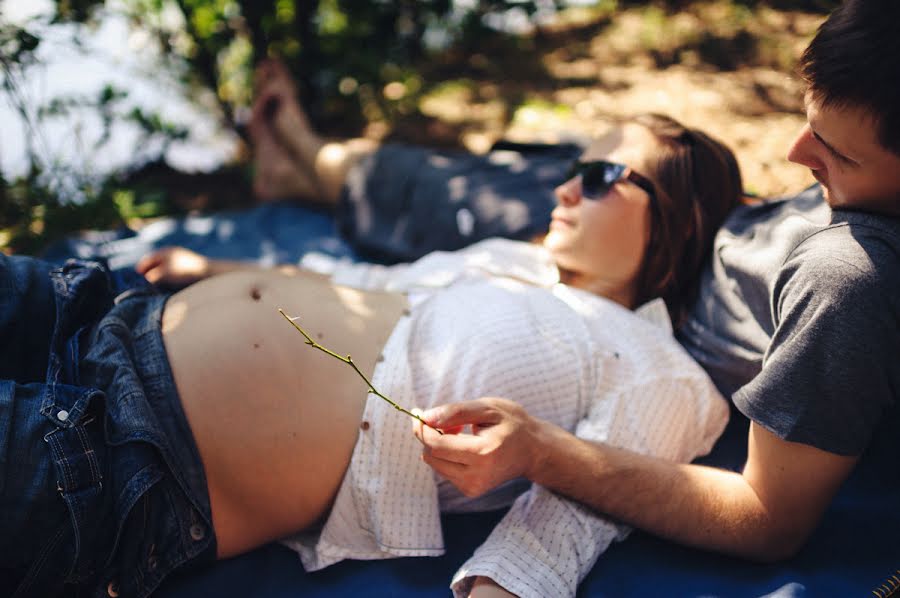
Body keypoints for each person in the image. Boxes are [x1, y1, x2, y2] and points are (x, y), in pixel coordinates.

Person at [1, 113, 743, 598]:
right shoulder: (514, 261)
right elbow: (372, 284)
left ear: (682, 221)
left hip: (120, 458)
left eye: (600, 176)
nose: (563, 189)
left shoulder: (657, 367)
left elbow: (567, 525)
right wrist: (221, 274)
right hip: (101, 310)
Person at [412, 3, 900, 595]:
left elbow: (766, 518)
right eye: (810, 123)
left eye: (839, 155)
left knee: (450, 201)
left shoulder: (849, 279)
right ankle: (309, 159)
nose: (796, 154)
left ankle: (312, 161)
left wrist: (541, 451)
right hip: (702, 209)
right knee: (465, 183)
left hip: (656, 260)